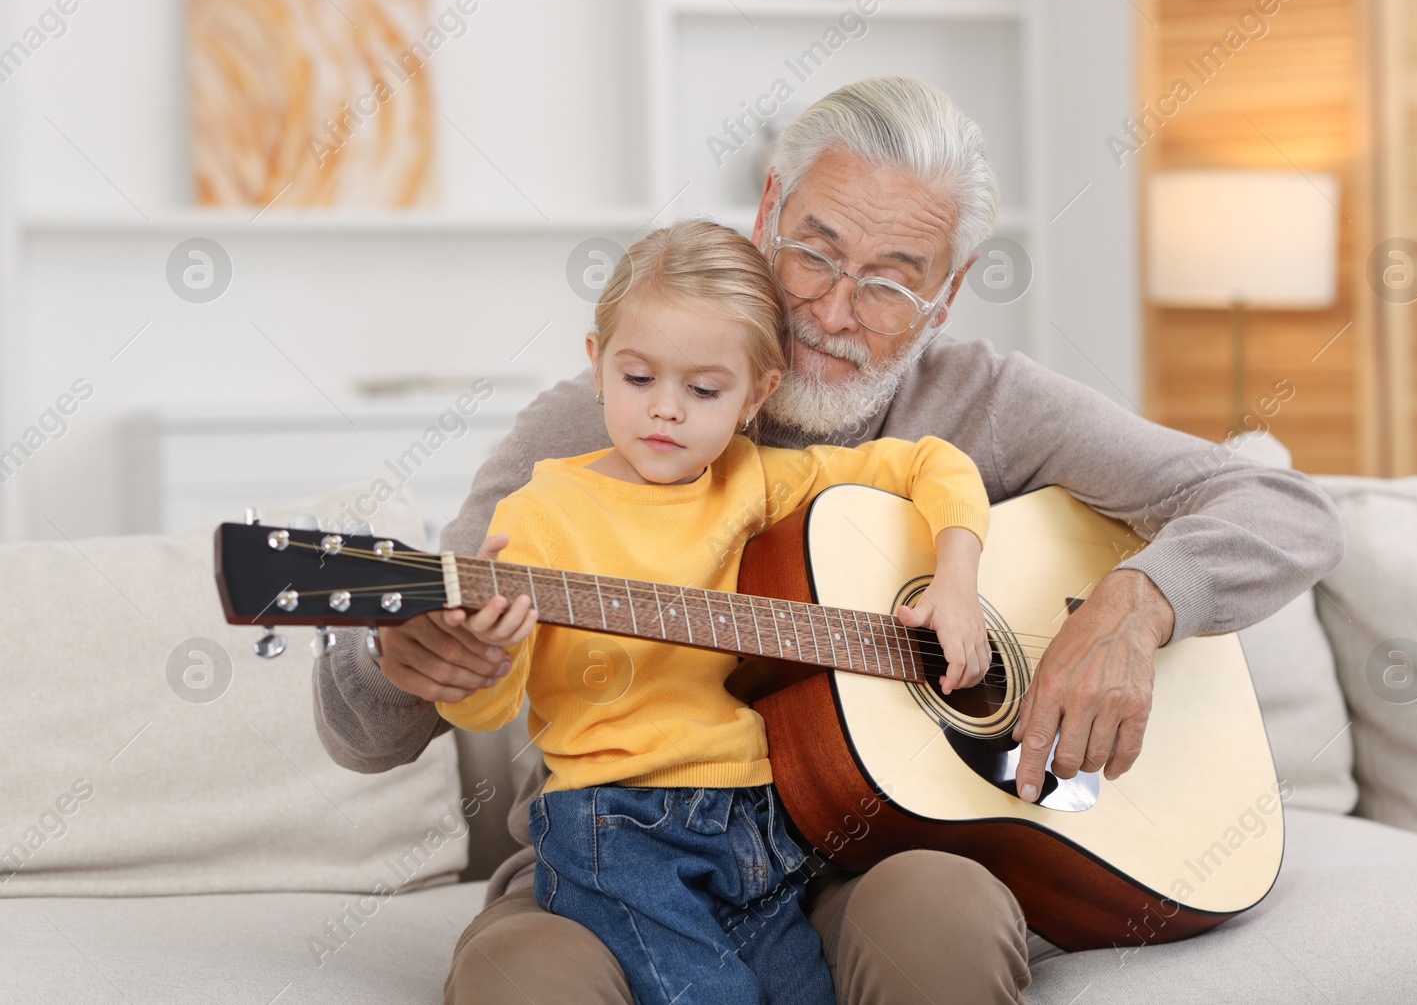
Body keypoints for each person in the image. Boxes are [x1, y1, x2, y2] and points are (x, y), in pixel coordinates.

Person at [313, 76, 1346, 1005]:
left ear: (949, 288)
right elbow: (371, 725)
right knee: (518, 977)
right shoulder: (609, 418)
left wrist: (1134, 605)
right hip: (614, 861)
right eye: (814, 249)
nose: (833, 307)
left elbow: (1283, 506)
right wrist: (397, 658)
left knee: (943, 912)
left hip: (872, 860)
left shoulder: (990, 402)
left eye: (894, 278)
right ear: (767, 212)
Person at [432, 219, 991, 1005]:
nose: (665, 411)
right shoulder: (543, 513)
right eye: (637, 379)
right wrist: (479, 655)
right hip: (610, 825)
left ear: (757, 394)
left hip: (759, 820)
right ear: (596, 364)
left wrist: (957, 575)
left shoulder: (751, 480)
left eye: (702, 390)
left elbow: (932, 462)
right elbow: (486, 703)